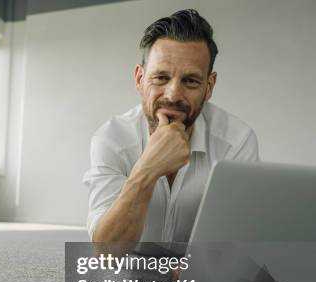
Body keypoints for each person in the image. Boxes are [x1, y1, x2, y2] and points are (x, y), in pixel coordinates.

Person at [83, 9, 258, 243]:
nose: (173, 95)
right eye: (161, 77)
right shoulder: (112, 138)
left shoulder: (237, 141)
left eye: (191, 81)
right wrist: (147, 169)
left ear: (209, 86)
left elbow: (241, 237)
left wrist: (197, 264)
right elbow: (106, 253)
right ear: (140, 79)